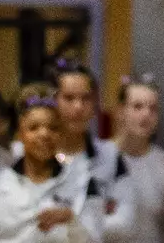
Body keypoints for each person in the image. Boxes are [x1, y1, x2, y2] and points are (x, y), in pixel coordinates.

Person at [0, 85, 102, 243]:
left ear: (61, 133)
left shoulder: (84, 183)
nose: (44, 135)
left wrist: (71, 220)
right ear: (20, 133)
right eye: (33, 127)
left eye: (53, 128)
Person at [102, 75, 164, 243]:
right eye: (137, 107)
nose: (146, 114)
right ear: (120, 111)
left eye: (153, 108)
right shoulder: (97, 159)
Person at [46, 64, 123, 209]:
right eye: (69, 98)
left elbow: (123, 219)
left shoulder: (110, 155)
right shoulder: (28, 155)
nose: (78, 107)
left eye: (86, 98)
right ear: (53, 102)